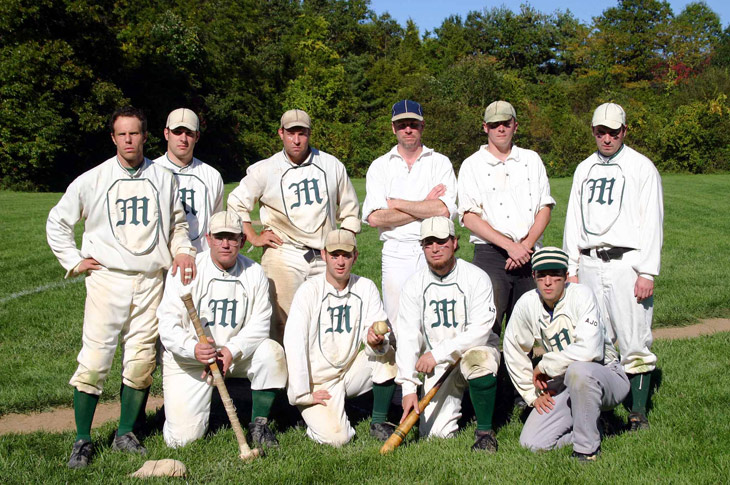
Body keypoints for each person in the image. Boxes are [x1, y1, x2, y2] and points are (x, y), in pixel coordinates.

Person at [46, 106, 196, 469]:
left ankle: (125, 433)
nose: (129, 140)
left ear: (146, 136)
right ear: (113, 138)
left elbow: (177, 223)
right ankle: (83, 439)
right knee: (95, 361)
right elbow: (58, 221)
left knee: (141, 360)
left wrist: (183, 250)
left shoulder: (163, 178)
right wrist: (74, 260)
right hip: (107, 281)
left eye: (135, 133)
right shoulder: (92, 179)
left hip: (151, 281)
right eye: (122, 134)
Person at [563, 103, 663, 431]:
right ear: (593, 131)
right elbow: (573, 221)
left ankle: (637, 411)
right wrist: (572, 267)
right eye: (600, 132)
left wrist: (647, 271)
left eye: (614, 132)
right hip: (591, 262)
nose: (607, 138)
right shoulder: (584, 168)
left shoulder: (641, 167)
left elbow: (652, 221)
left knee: (634, 337)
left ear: (624, 130)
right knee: (595, 338)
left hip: (627, 263)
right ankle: (602, 410)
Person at [157, 210, 287, 448]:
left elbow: (260, 323)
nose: (225, 244)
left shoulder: (254, 272)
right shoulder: (188, 269)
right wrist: (193, 349)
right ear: (208, 238)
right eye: (219, 237)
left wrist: (230, 350)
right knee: (182, 441)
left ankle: (259, 423)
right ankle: (174, 408)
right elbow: (167, 324)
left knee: (272, 352)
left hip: (233, 356)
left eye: (232, 237)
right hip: (191, 359)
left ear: (242, 240)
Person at [228, 109, 360, 342]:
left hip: (323, 254)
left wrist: (341, 248)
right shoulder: (266, 169)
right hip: (284, 253)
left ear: (310, 134)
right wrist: (253, 236)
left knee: (327, 320)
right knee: (282, 322)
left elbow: (350, 210)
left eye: (302, 133)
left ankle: (322, 375)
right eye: (291, 133)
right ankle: (284, 376)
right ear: (281, 133)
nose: (296, 140)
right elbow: (237, 202)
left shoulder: (331, 165)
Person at [503, 247, 629, 462]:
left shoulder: (581, 295)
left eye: (555, 275)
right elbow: (512, 347)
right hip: (564, 382)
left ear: (565, 276)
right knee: (532, 443)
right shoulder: (528, 302)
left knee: (579, 370)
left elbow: (589, 351)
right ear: (534, 276)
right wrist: (531, 395)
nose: (548, 282)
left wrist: (544, 365)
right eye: (542, 275)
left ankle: (586, 450)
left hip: (606, 374)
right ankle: (598, 425)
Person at [396, 216, 501, 452]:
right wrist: (409, 388)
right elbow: (408, 336)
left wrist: (437, 353)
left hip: (473, 350)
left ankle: (484, 431)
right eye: (428, 242)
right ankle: (465, 407)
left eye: (442, 241)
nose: (435, 248)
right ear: (422, 246)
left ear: (455, 242)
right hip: (440, 363)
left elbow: (481, 330)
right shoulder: (414, 285)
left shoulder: (476, 277)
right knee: (434, 434)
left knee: (478, 359)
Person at [283, 229, 397, 446]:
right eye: (334, 255)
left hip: (349, 370)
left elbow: (377, 330)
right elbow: (294, 342)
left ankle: (379, 422)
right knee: (338, 439)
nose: (340, 262)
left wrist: (376, 340)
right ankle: (308, 415)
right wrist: (302, 393)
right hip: (318, 382)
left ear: (355, 256)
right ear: (324, 255)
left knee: (387, 353)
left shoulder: (365, 287)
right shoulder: (309, 291)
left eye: (346, 255)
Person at [458, 100, 554, 336]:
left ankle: (520, 373)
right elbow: (469, 217)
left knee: (526, 328)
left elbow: (545, 207)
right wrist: (510, 247)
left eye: (505, 123)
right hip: (490, 255)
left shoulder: (531, 160)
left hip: (529, 252)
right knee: (487, 326)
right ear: (485, 127)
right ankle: (489, 372)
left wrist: (525, 246)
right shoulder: (472, 165)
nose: (500, 129)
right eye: (494, 124)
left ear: (515, 125)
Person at [362, 100, 457, 331]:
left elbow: (444, 211)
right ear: (393, 128)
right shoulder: (380, 166)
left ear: (422, 126)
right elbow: (375, 218)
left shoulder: (440, 162)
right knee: (397, 322)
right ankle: (401, 368)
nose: (408, 129)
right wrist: (425, 204)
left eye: (413, 124)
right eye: (402, 124)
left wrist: (397, 205)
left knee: (436, 320)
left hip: (434, 249)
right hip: (396, 252)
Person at [153, 108, 224, 252]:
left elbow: (216, 225)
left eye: (189, 133)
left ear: (197, 136)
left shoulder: (212, 176)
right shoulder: (151, 172)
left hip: (200, 261)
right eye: (177, 132)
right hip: (161, 263)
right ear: (166, 134)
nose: (183, 139)